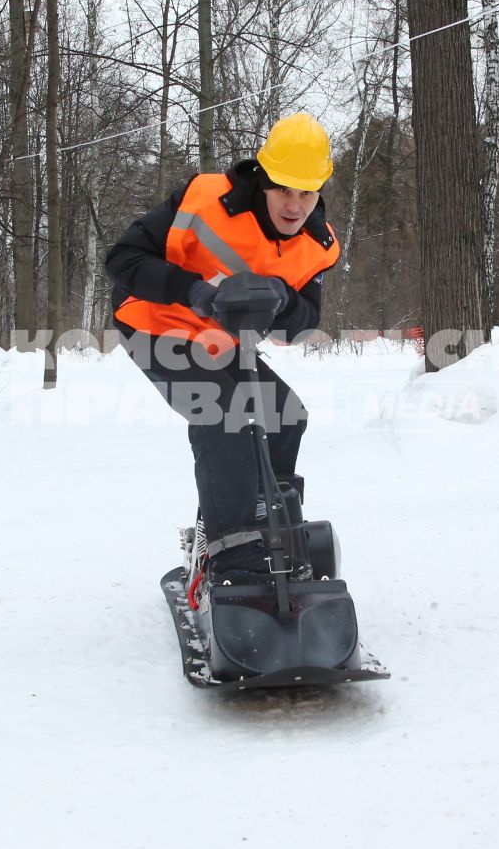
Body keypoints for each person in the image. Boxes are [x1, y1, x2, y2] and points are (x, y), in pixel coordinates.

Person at [105, 113, 341, 583]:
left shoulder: (319, 243)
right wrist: (193, 291)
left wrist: (282, 299)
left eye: (307, 192)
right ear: (263, 178)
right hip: (155, 323)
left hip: (219, 337)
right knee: (222, 411)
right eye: (284, 191)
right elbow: (122, 259)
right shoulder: (204, 199)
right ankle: (234, 560)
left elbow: (303, 323)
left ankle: (267, 528)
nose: (295, 206)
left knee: (285, 416)